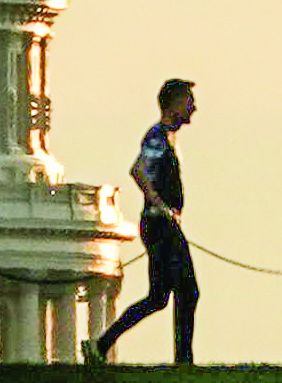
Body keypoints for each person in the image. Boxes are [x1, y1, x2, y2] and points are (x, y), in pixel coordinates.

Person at [83, 78, 198, 365]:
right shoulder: (158, 136)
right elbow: (138, 171)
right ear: (173, 104)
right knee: (186, 290)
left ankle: (102, 343)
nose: (193, 108)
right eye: (188, 101)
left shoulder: (166, 137)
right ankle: (183, 361)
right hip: (160, 225)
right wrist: (160, 205)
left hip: (165, 224)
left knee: (160, 297)